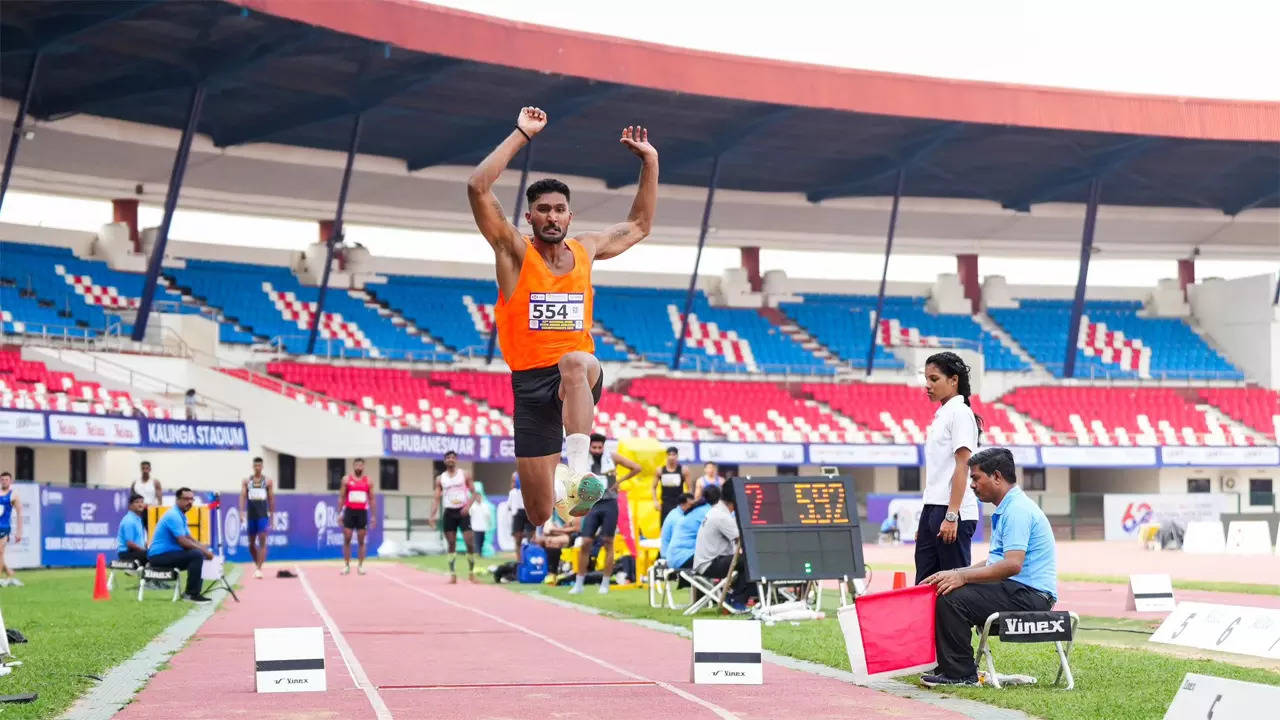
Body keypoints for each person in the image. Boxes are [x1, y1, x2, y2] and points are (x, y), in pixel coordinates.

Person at [467, 106, 659, 528]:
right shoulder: (514, 253)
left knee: (575, 361)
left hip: (575, 376)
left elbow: (640, 224)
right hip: (529, 386)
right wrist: (521, 133)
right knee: (537, 515)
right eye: (543, 209)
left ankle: (577, 472)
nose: (552, 216)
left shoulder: (586, 248)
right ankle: (565, 495)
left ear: (570, 216)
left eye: (559, 209)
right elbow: (478, 186)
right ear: (529, 216)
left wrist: (650, 160)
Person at [921, 448, 1058, 688]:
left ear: (996, 476)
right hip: (1019, 590)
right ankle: (951, 668)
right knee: (947, 588)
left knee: (952, 598)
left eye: (975, 478)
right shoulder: (1008, 507)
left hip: (1031, 595)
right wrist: (955, 574)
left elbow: (1012, 565)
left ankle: (961, 674)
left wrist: (962, 577)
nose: (972, 485)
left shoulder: (1017, 510)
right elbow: (996, 562)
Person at [915, 351, 983, 585]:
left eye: (934, 379)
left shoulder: (960, 414)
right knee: (924, 585)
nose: (927, 385)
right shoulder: (942, 415)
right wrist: (926, 520)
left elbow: (963, 465)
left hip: (953, 510)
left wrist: (951, 515)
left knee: (951, 589)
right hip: (934, 508)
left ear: (953, 380)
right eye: (926, 379)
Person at [570, 433, 642, 595]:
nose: (596, 450)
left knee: (608, 542)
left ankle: (605, 583)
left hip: (609, 504)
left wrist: (619, 482)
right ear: (589, 447)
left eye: (599, 447)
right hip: (592, 504)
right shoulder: (583, 460)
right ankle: (579, 583)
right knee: (585, 542)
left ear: (604, 447)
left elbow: (637, 468)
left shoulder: (612, 457)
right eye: (593, 447)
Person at [693, 481, 754, 612]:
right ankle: (736, 601)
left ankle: (731, 597)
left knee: (746, 560)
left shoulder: (717, 511)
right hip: (710, 564)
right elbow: (744, 541)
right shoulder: (722, 516)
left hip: (706, 562)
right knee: (752, 561)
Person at [147, 487, 214, 603]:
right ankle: (190, 594)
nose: (189, 502)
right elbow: (183, 541)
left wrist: (205, 549)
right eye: (186, 499)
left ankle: (194, 593)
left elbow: (189, 538)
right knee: (196, 555)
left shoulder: (181, 515)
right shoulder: (173, 515)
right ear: (177, 500)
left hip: (167, 554)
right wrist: (204, 552)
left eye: (191, 499)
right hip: (158, 557)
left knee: (198, 554)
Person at [429, 451, 478, 584]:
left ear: (456, 460)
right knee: (451, 544)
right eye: (448, 458)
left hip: (463, 512)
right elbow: (436, 499)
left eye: (453, 457)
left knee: (469, 542)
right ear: (445, 461)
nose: (450, 460)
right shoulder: (440, 478)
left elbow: (474, 493)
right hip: (449, 513)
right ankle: (453, 574)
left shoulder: (464, 474)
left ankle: (471, 573)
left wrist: (468, 506)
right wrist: (432, 516)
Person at [666, 485, 718, 573]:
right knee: (724, 560)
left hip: (674, 557)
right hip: (683, 558)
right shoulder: (708, 511)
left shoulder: (699, 509)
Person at [338, 458, 377, 576]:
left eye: (361, 465)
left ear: (363, 467)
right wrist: (339, 513)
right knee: (347, 538)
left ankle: (360, 566)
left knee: (361, 540)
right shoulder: (346, 480)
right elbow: (342, 497)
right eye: (357, 465)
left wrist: (374, 516)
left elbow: (371, 499)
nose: (359, 467)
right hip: (349, 512)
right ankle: (346, 565)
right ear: (353, 466)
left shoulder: (368, 481)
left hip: (362, 513)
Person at [240, 456, 274, 579]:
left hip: (262, 516)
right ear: (253, 466)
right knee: (251, 544)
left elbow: (271, 499)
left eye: (259, 465)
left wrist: (272, 516)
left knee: (262, 542)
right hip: (251, 516)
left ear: (262, 467)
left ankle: (259, 568)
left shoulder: (268, 482)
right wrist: (241, 512)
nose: (257, 467)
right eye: (255, 465)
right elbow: (243, 496)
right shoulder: (247, 481)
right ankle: (257, 565)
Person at [651, 447, 689, 523]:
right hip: (665, 503)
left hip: (679, 504)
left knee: (678, 527)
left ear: (677, 456)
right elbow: (653, 487)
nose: (671, 457)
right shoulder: (660, 470)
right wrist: (655, 501)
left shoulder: (683, 470)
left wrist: (687, 502)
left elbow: (690, 488)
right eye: (669, 455)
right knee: (665, 527)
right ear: (666, 456)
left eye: (673, 455)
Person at [0, 471, 23, 587]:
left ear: (10, 481)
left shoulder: (13, 495)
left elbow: (19, 513)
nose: (4, 481)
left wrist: (19, 532)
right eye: (2, 479)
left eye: (6, 480)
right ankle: (9, 572)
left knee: (0, 552)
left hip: (3, 528)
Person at [659, 492, 695, 560]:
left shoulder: (675, 512)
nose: (693, 507)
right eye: (690, 505)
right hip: (669, 557)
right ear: (682, 504)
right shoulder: (677, 518)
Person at [117, 492, 149, 566]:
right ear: (130, 506)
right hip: (126, 554)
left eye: (142, 502)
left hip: (135, 552)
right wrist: (145, 550)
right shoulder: (129, 520)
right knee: (153, 555)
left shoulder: (138, 519)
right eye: (137, 502)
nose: (140, 504)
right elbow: (130, 544)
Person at [508, 472, 534, 554]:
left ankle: (531, 558)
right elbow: (509, 506)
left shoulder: (531, 476)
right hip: (518, 512)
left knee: (532, 538)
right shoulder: (513, 491)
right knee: (518, 539)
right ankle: (519, 562)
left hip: (529, 511)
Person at [470, 491, 491, 560]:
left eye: (479, 496)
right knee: (477, 541)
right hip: (475, 526)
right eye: (477, 497)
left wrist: (488, 524)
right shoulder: (473, 506)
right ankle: (478, 554)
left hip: (483, 526)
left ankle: (480, 553)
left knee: (481, 541)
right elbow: (469, 515)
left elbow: (488, 515)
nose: (478, 498)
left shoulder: (485, 505)